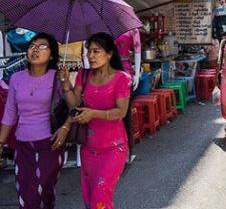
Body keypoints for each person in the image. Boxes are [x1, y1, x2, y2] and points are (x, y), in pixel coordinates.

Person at [0, 33, 72, 209]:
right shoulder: (16, 78)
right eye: (32, 46)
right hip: (23, 145)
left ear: (52, 55)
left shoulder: (58, 76)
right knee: (26, 193)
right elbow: (9, 114)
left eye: (41, 47)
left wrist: (65, 127)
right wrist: (0, 142)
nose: (35, 50)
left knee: (41, 191)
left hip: (51, 144)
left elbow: (74, 107)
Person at [70, 33, 132, 209]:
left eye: (96, 51)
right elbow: (74, 104)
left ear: (110, 54)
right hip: (88, 148)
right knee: (90, 199)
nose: (91, 56)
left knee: (100, 195)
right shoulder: (83, 75)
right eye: (89, 51)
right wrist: (66, 84)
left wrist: (93, 114)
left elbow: (121, 111)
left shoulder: (122, 78)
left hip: (114, 148)